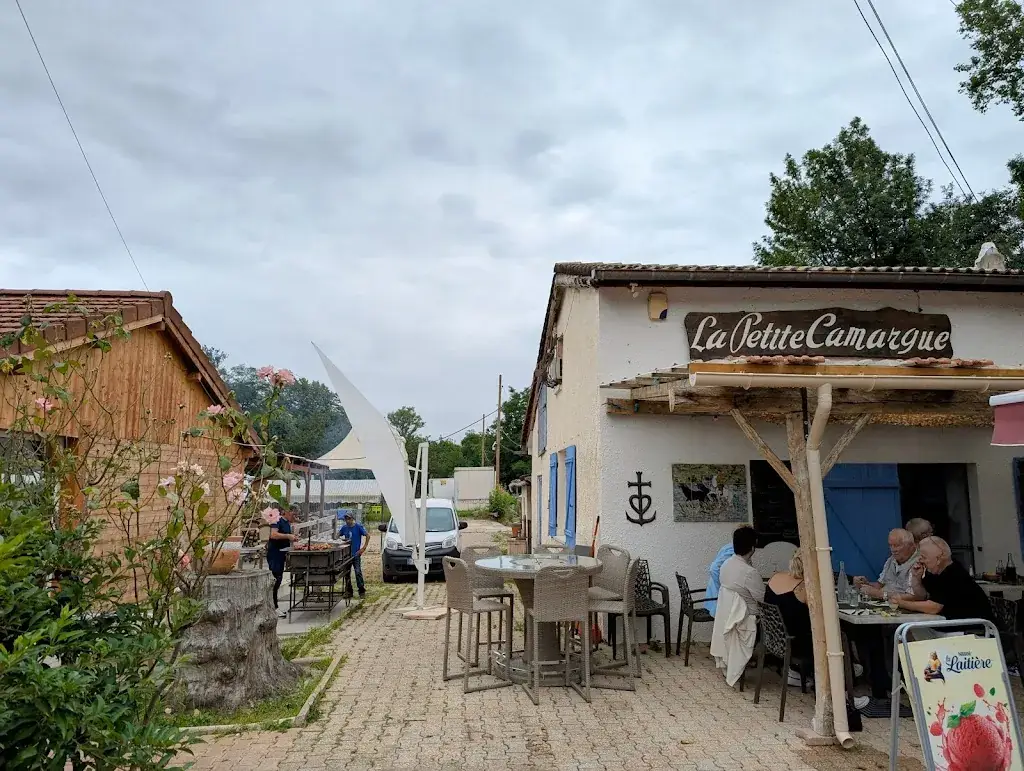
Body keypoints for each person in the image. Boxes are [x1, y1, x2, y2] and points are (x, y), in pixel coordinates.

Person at [895, 536, 994, 624]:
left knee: (907, 632)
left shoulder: (954, 573)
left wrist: (902, 604)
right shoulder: (936, 573)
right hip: (953, 624)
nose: (920, 560)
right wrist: (916, 578)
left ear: (938, 559)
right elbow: (922, 596)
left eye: (923, 557)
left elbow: (934, 607)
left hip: (972, 628)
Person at [765, 552, 812, 687]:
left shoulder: (774, 577)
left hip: (772, 639)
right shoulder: (803, 587)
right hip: (794, 644)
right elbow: (819, 613)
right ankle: (843, 672)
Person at [852, 528, 918, 599]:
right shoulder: (891, 560)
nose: (893, 550)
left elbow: (913, 597)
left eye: (897, 545)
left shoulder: (918, 563)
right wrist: (864, 585)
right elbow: (880, 585)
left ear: (911, 546)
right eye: (890, 545)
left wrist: (880, 594)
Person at [719, 526, 765, 615]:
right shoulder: (750, 573)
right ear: (752, 547)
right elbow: (763, 600)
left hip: (731, 614)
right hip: (751, 617)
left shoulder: (725, 565)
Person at [266, 507, 298, 618]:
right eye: (293, 514)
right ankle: (273, 607)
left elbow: (285, 537)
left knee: (279, 579)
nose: (294, 517)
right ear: (287, 512)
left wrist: (292, 538)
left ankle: (273, 605)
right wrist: (288, 536)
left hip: (282, 554)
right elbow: (273, 535)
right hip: (275, 554)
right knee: (276, 580)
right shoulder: (277, 520)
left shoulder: (287, 524)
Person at [339, 512, 369, 598]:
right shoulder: (344, 528)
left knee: (358, 571)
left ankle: (361, 590)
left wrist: (363, 548)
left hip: (356, 554)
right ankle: (349, 591)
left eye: (349, 519)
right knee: (346, 573)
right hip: (346, 555)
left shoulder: (358, 527)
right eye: (346, 519)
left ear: (352, 519)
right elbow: (338, 535)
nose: (347, 521)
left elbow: (367, 535)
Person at [706, 540, 735, 618]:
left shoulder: (728, 546)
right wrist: (722, 589)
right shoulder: (733, 549)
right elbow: (714, 568)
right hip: (717, 600)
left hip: (713, 597)